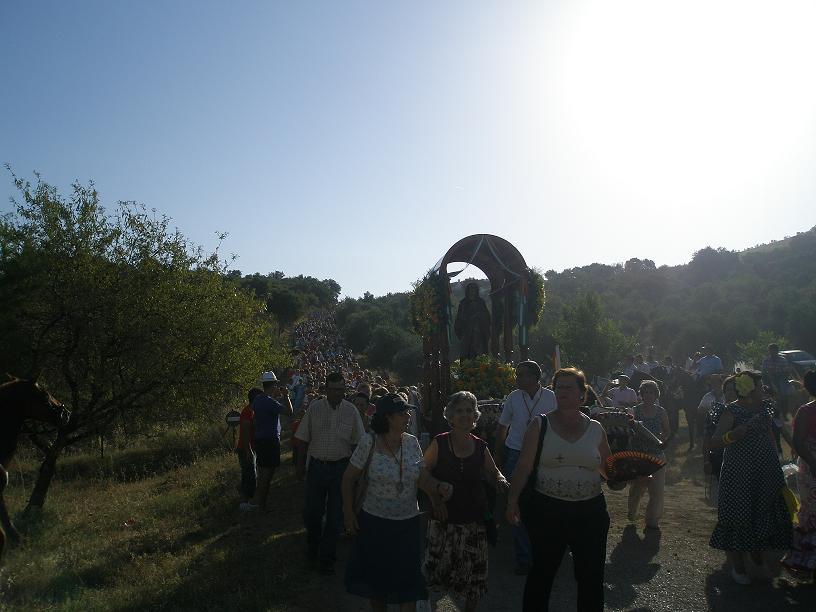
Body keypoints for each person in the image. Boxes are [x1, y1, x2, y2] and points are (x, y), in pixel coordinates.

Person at [505, 367, 618, 612]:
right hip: (548, 511)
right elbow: (523, 467)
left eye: (569, 387)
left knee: (590, 577)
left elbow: (608, 468)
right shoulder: (539, 425)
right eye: (559, 387)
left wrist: (622, 477)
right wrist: (512, 501)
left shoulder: (596, 428)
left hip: (590, 512)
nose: (563, 391)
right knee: (542, 574)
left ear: (582, 394)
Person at [342, 393, 451, 611]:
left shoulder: (411, 442)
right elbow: (348, 478)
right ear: (388, 417)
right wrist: (348, 512)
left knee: (408, 582)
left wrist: (437, 488)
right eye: (403, 413)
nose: (408, 416)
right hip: (375, 523)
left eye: (407, 412)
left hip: (407, 524)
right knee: (378, 582)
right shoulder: (369, 442)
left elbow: (421, 478)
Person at [423, 391, 509, 611]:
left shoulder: (480, 446)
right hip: (444, 523)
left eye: (469, 410)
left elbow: (493, 472)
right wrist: (436, 499)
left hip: (473, 523)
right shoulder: (439, 443)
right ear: (450, 415)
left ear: (475, 415)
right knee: (435, 580)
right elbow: (421, 475)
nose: (464, 415)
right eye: (459, 411)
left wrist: (500, 479)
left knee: (474, 584)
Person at [709, 370, 793, 585]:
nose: (763, 389)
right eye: (759, 385)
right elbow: (715, 441)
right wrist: (732, 435)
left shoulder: (764, 407)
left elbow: (775, 433)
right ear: (748, 388)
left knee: (763, 512)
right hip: (739, 474)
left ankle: (759, 560)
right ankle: (738, 566)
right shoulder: (732, 410)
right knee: (739, 516)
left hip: (765, 471)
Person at [295, 372, 365, 574]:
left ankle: (327, 558)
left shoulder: (351, 411)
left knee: (335, 516)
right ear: (326, 390)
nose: (338, 394)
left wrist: (356, 473)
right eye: (334, 390)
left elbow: (358, 444)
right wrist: (300, 466)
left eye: (342, 390)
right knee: (312, 513)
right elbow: (303, 439)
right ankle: (313, 546)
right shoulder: (315, 409)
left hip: (341, 469)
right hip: (317, 466)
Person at [493, 360, 557, 575]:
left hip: (543, 454)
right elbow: (503, 427)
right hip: (515, 453)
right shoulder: (513, 397)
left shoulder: (551, 397)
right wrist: (498, 454)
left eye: (522, 375)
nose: (517, 378)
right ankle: (524, 558)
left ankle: (543, 552)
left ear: (534, 377)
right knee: (517, 503)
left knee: (543, 502)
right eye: (517, 374)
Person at [782, 371, 816, 577]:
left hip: (810, 462)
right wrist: (813, 463)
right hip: (811, 466)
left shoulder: (805, 410)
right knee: (812, 510)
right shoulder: (806, 411)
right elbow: (798, 442)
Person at [627, 380, 671, 529]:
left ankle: (652, 521)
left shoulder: (661, 411)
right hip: (638, 456)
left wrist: (662, 438)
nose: (648, 395)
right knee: (637, 490)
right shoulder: (634, 410)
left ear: (656, 394)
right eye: (645, 392)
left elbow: (667, 430)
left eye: (651, 392)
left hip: (657, 455)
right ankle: (632, 512)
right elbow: (629, 426)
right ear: (641, 394)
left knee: (657, 491)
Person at [252, 372, 293, 511]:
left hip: (260, 439)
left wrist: (275, 396)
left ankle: (260, 502)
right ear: (274, 385)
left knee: (263, 471)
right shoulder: (269, 402)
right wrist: (286, 395)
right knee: (267, 474)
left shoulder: (258, 399)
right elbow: (289, 411)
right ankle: (261, 505)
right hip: (270, 440)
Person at [237, 387, 262, 511]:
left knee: (251, 474)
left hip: (249, 448)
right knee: (248, 475)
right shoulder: (247, 412)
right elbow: (246, 432)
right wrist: (248, 450)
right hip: (245, 449)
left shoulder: (252, 411)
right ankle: (243, 503)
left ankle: (247, 502)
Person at [454, 282, 491, 360]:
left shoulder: (481, 302)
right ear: (467, 290)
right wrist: (468, 319)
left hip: (479, 332)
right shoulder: (463, 303)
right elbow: (459, 319)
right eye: (471, 289)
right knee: (466, 353)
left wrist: (479, 316)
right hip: (467, 333)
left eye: (474, 289)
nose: (472, 291)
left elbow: (487, 317)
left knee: (479, 354)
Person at [762, 343, 795, 419]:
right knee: (764, 392)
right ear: (769, 351)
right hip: (768, 379)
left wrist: (777, 371)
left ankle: (785, 411)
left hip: (780, 378)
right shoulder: (766, 361)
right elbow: (763, 372)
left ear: (777, 351)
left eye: (774, 350)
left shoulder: (782, 360)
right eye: (771, 350)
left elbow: (786, 371)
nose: (772, 352)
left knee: (783, 392)